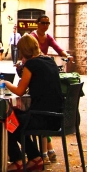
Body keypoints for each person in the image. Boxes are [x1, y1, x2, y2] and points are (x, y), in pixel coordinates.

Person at [0, 35, 64, 172]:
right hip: (57, 116)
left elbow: (20, 91)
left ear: (24, 50)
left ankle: (17, 160)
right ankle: (35, 157)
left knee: (4, 120)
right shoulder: (49, 61)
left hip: (41, 117)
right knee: (15, 119)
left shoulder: (31, 65)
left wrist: (6, 84)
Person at [29, 15, 70, 162]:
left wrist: (66, 55)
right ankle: (49, 150)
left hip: (42, 71)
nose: (46, 26)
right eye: (43, 23)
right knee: (42, 110)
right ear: (37, 24)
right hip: (36, 70)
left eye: (48, 23)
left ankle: (45, 153)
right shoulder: (32, 37)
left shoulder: (48, 37)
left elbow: (58, 48)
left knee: (40, 111)